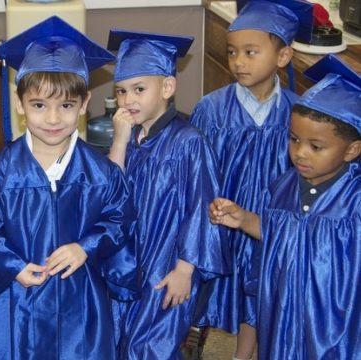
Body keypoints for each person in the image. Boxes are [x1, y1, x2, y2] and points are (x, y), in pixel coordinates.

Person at [0, 16, 140, 359]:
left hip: (80, 301)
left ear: (84, 104)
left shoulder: (101, 174)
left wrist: (86, 246)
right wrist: (12, 265)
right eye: (39, 105)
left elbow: (121, 219)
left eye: (67, 106)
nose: (54, 119)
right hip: (17, 300)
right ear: (19, 102)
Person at [209, 54, 361, 359]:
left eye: (316, 147)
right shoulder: (283, 186)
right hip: (285, 312)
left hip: (335, 324)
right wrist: (243, 219)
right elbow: (278, 232)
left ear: (352, 150)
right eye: (293, 139)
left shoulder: (354, 204)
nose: (300, 153)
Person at [188, 1, 314, 358]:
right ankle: (192, 337)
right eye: (232, 52)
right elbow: (197, 169)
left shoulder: (296, 113)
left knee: (259, 292)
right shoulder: (211, 109)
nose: (238, 61)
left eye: (250, 52)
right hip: (221, 220)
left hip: (267, 222)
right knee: (207, 287)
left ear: (283, 56)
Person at [107, 29, 231, 360]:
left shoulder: (189, 142)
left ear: (167, 87)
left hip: (166, 265)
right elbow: (110, 191)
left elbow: (202, 209)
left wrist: (185, 270)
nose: (127, 100)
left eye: (139, 89)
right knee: (121, 338)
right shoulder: (131, 138)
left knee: (151, 347)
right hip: (130, 261)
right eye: (120, 91)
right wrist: (119, 141)